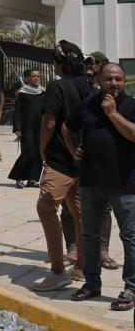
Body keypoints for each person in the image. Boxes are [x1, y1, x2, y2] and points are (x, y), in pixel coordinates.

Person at [63, 63, 135, 309]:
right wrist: (75, 150)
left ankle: (131, 288)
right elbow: (66, 127)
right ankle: (92, 283)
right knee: (91, 236)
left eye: (118, 80)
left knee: (130, 237)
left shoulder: (131, 105)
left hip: (125, 185)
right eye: (108, 79)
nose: (113, 84)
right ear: (98, 81)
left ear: (124, 82)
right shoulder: (87, 105)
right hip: (91, 182)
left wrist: (113, 114)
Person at [32, 40, 90, 292]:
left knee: (46, 206)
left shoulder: (58, 87)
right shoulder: (89, 87)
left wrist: (43, 149)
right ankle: (82, 266)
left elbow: (49, 122)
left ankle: (57, 271)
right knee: (80, 213)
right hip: (85, 160)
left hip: (61, 160)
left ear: (60, 63)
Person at [8, 69, 45, 188]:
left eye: (38, 76)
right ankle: (19, 177)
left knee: (38, 153)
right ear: (28, 78)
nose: (36, 78)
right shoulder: (22, 93)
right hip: (27, 127)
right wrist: (17, 128)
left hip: (40, 127)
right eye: (33, 76)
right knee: (28, 151)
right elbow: (17, 112)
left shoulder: (43, 92)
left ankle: (32, 179)